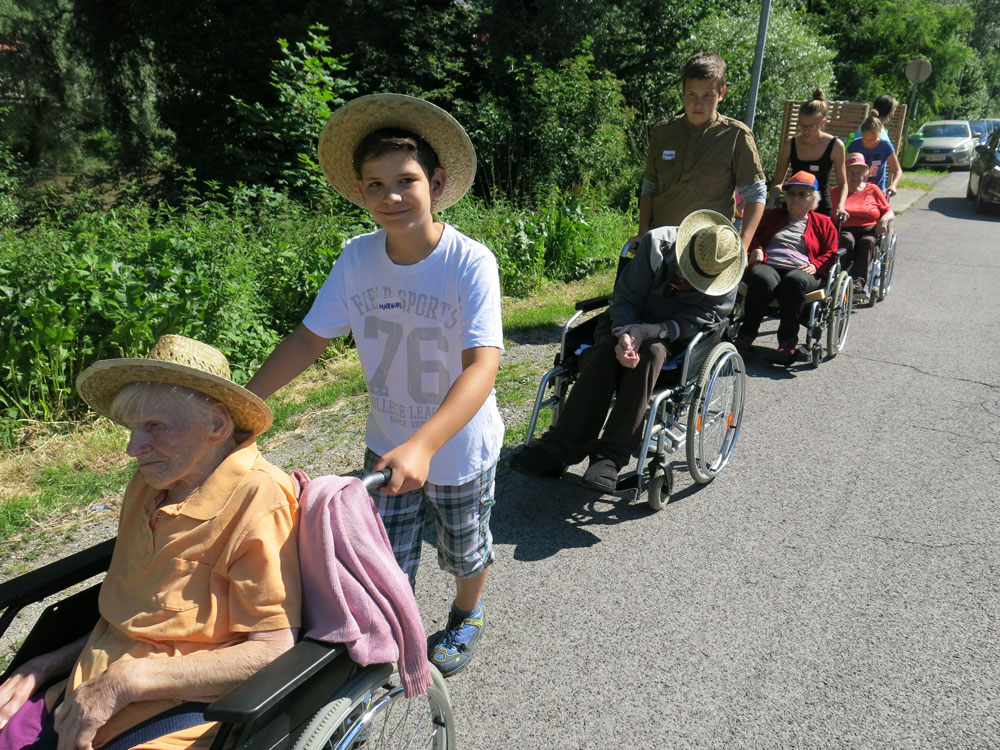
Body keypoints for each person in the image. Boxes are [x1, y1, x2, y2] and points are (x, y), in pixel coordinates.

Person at [245, 94, 503, 678]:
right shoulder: (356, 258)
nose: (392, 196)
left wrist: (425, 445)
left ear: (437, 183)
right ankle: (389, 636)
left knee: (465, 549)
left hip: (457, 448)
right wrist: (246, 405)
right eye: (377, 185)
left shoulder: (469, 262)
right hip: (388, 444)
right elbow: (309, 339)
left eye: (406, 181)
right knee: (383, 555)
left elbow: (482, 366)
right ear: (361, 192)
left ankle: (468, 612)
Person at [0, 335, 300, 750]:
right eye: (133, 428)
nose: (132, 448)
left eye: (155, 426)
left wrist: (127, 681)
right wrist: (44, 665)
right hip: (78, 691)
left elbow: (273, 651)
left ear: (216, 425)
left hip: (169, 716)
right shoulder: (150, 483)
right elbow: (134, 622)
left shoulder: (258, 499)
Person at [509, 210, 744, 492]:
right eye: (685, 268)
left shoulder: (727, 272)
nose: (685, 278)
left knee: (652, 354)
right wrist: (624, 334)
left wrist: (657, 330)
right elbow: (625, 297)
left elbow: (705, 317)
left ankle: (609, 458)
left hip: (672, 336)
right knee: (608, 351)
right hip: (624, 319)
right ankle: (559, 448)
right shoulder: (656, 244)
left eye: (696, 279)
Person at [637, 52, 766, 251]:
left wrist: (743, 245)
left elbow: (756, 194)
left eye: (707, 95)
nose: (698, 104)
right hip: (661, 244)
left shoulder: (736, 136)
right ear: (683, 92)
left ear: (721, 93)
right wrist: (643, 233)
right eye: (692, 95)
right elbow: (649, 188)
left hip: (711, 249)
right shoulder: (662, 133)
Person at [735, 171, 839, 365]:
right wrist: (756, 248)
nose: (794, 198)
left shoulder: (823, 223)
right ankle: (745, 336)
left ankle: (787, 344)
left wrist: (816, 265)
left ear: (813, 198)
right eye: (791, 194)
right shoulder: (771, 216)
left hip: (803, 270)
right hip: (770, 264)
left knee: (794, 281)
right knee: (760, 276)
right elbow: (751, 232)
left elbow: (831, 252)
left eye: (802, 194)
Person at [770, 89, 847, 219]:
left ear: (822, 123)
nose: (805, 130)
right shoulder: (790, 144)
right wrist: (771, 202)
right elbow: (778, 182)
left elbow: (843, 184)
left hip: (821, 207)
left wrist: (841, 206)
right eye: (802, 125)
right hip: (793, 205)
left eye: (811, 126)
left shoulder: (836, 146)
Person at [830, 153, 895, 302]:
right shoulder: (835, 191)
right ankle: (839, 279)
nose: (855, 176)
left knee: (867, 242)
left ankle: (857, 285)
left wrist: (883, 220)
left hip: (869, 230)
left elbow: (889, 211)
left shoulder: (873, 189)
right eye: (851, 172)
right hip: (844, 229)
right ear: (844, 174)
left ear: (865, 174)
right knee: (846, 240)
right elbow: (830, 215)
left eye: (859, 173)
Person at [847, 115, 902, 196]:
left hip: (877, 190)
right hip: (856, 189)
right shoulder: (854, 145)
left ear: (879, 133)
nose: (868, 142)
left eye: (872, 139)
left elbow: (897, 170)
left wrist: (893, 185)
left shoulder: (885, 146)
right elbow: (844, 167)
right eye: (865, 139)